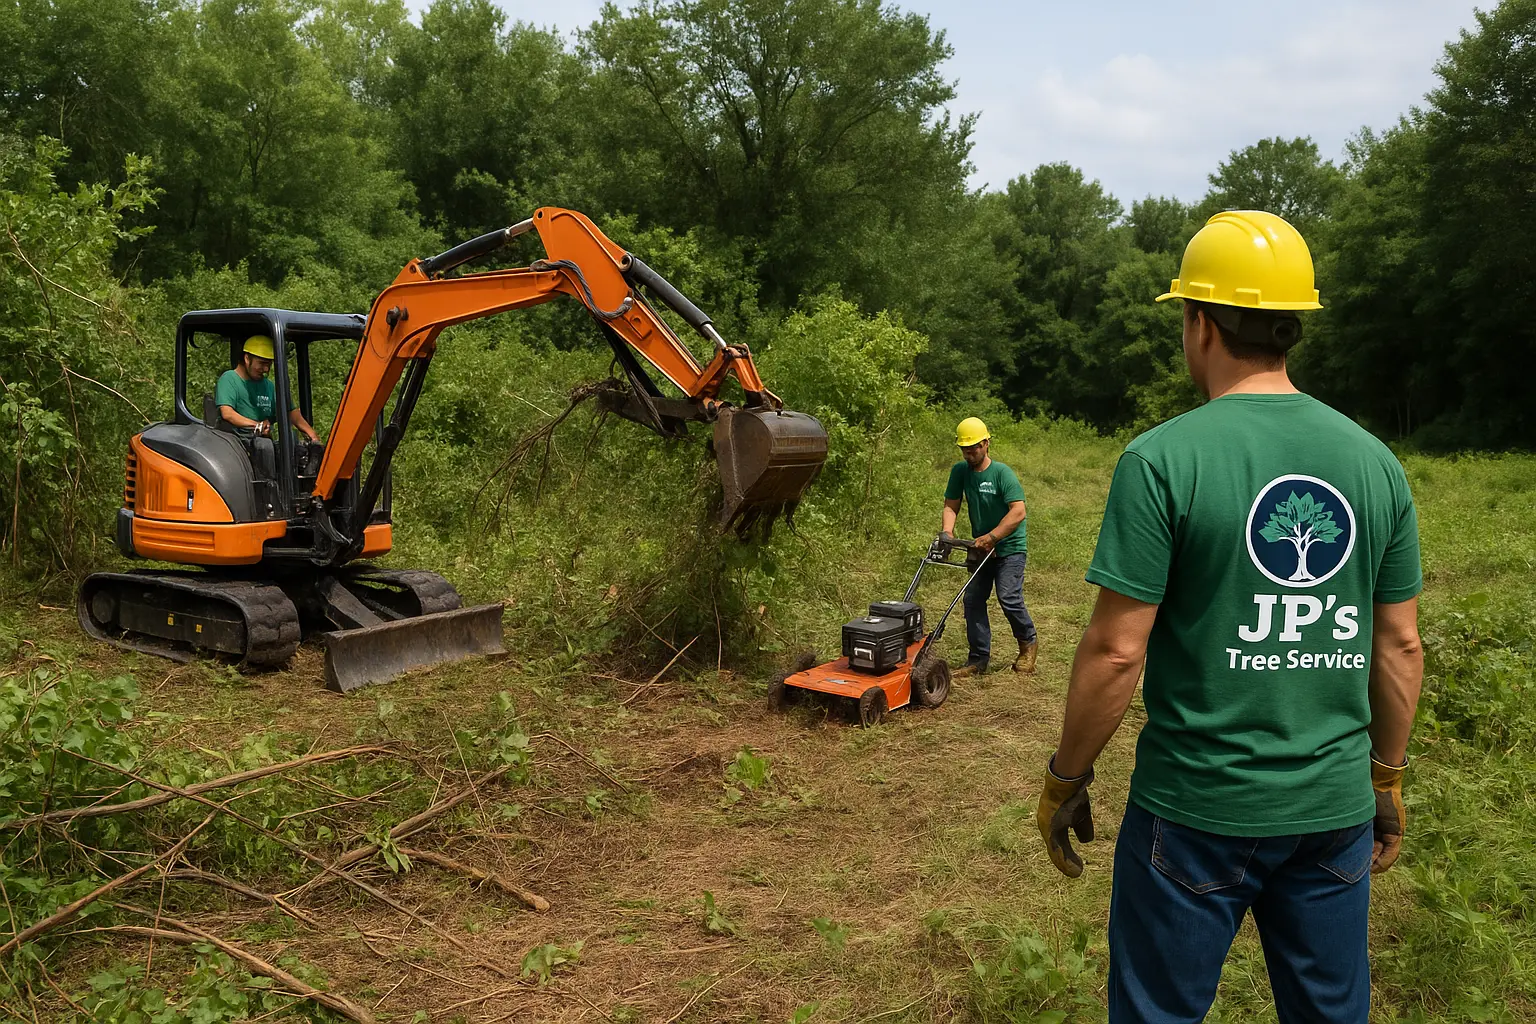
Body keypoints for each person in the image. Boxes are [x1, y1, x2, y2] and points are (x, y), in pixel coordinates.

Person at [1034, 211, 1424, 1023]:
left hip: (1192, 811)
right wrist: (1384, 777)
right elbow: (1400, 645)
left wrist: (1066, 778)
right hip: (1332, 813)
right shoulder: (1376, 464)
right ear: (1293, 325)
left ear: (1200, 322)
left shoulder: (1161, 459)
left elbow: (1115, 652)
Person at [940, 417, 1038, 677]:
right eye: (964, 449)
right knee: (973, 600)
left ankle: (1028, 644)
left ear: (986, 443)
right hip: (980, 548)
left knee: (1008, 597)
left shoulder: (1002, 473)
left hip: (1009, 547)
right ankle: (978, 659)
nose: (969, 453)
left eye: (974, 447)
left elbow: (1018, 512)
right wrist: (947, 533)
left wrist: (993, 537)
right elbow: (951, 505)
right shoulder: (960, 472)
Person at [216, 335, 320, 443]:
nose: (266, 369)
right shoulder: (229, 379)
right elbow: (227, 413)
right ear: (247, 359)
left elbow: (291, 412)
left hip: (260, 442)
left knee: (292, 444)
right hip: (235, 441)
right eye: (262, 363)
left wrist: (313, 436)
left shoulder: (268, 386)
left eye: (269, 364)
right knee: (265, 446)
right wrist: (257, 425)